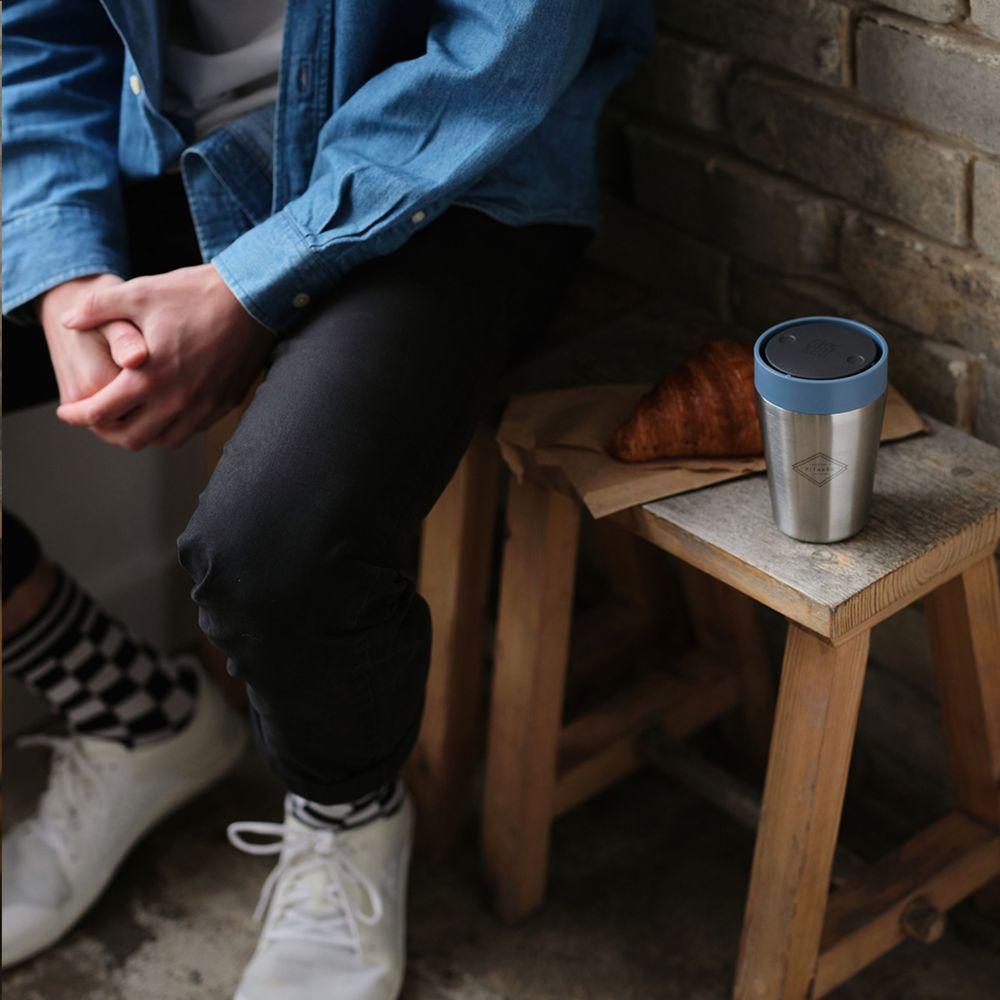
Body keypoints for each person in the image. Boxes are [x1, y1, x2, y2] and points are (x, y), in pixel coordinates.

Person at [1, 1, 652, 996]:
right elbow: (41, 25)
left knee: (271, 546)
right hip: (184, 153)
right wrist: (59, 274)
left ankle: (348, 817)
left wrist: (247, 289)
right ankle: (135, 716)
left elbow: (501, 59)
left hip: (463, 176)